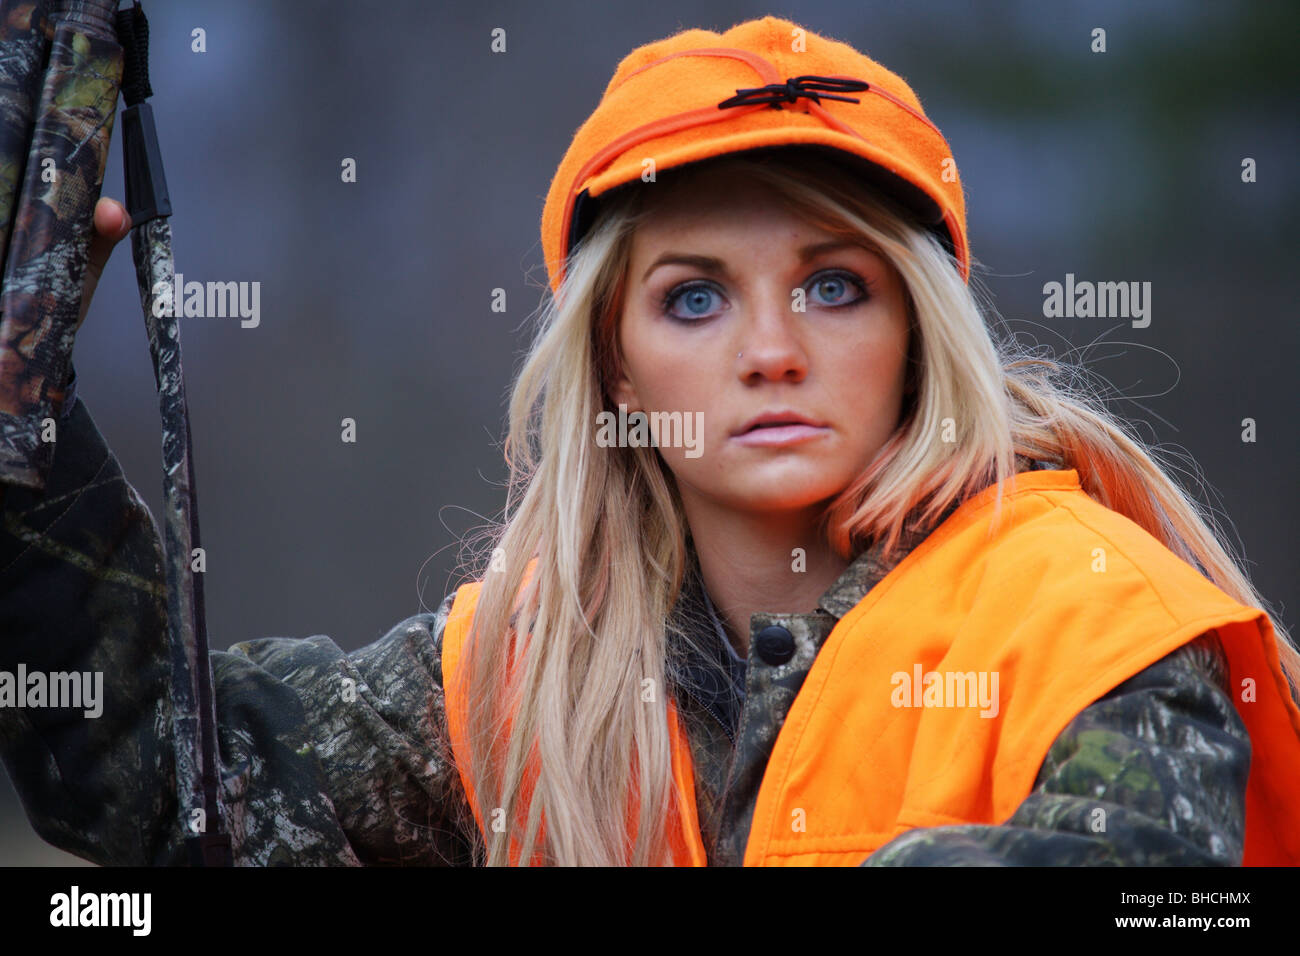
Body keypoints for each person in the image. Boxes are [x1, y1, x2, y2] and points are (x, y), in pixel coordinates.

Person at [2, 14, 1298, 868]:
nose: (771, 348)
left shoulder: (1091, 621)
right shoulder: (534, 672)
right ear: (613, 360)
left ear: (919, 327)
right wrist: (26, 417)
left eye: (834, 284)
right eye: (694, 296)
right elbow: (167, 781)